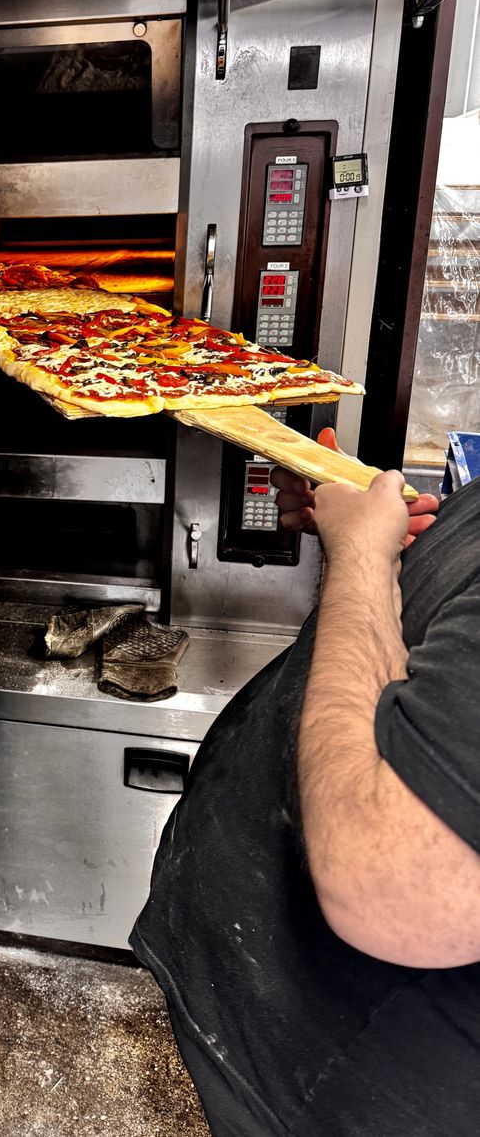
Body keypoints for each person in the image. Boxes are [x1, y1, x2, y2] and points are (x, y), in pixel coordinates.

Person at [130, 430, 480, 1137]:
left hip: (341, 1092)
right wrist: (376, 541)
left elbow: (390, 880)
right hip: (285, 1035)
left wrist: (360, 555)